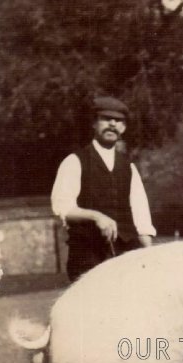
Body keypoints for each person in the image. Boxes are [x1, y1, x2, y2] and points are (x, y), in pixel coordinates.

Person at [51, 96, 156, 282]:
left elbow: (141, 214)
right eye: (106, 119)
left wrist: (149, 254)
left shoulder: (128, 166)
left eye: (118, 121)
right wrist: (97, 216)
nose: (112, 124)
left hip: (125, 253)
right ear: (94, 123)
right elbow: (63, 208)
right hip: (88, 254)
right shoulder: (75, 161)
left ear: (123, 128)